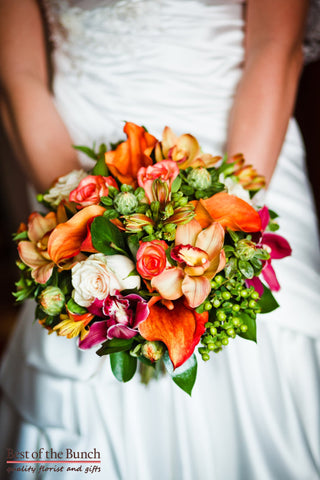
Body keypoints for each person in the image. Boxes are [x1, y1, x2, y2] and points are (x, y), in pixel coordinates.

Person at [0, 1, 319, 479]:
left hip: (243, 152)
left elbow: (275, 46)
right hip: (70, 157)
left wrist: (224, 222)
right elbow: (18, 74)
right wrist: (80, 225)